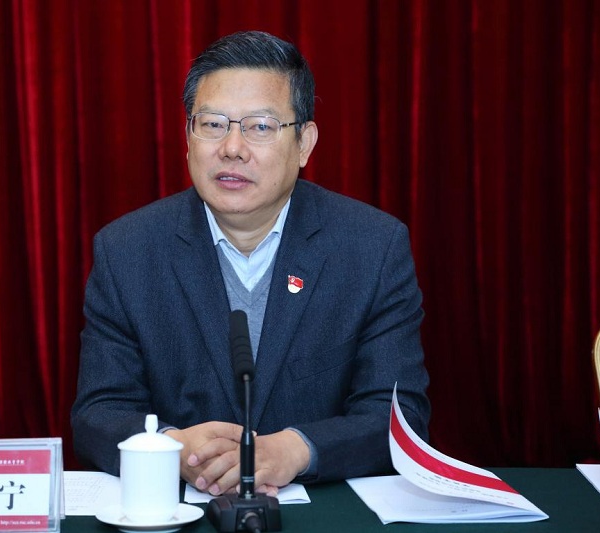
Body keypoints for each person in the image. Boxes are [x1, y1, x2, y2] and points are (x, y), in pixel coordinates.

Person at [71, 30, 430, 497]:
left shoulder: (371, 248)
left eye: (260, 127)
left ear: (304, 143)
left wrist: (296, 450)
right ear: (188, 138)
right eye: (213, 124)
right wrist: (171, 447)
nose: (232, 147)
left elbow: (400, 417)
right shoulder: (128, 251)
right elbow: (98, 413)